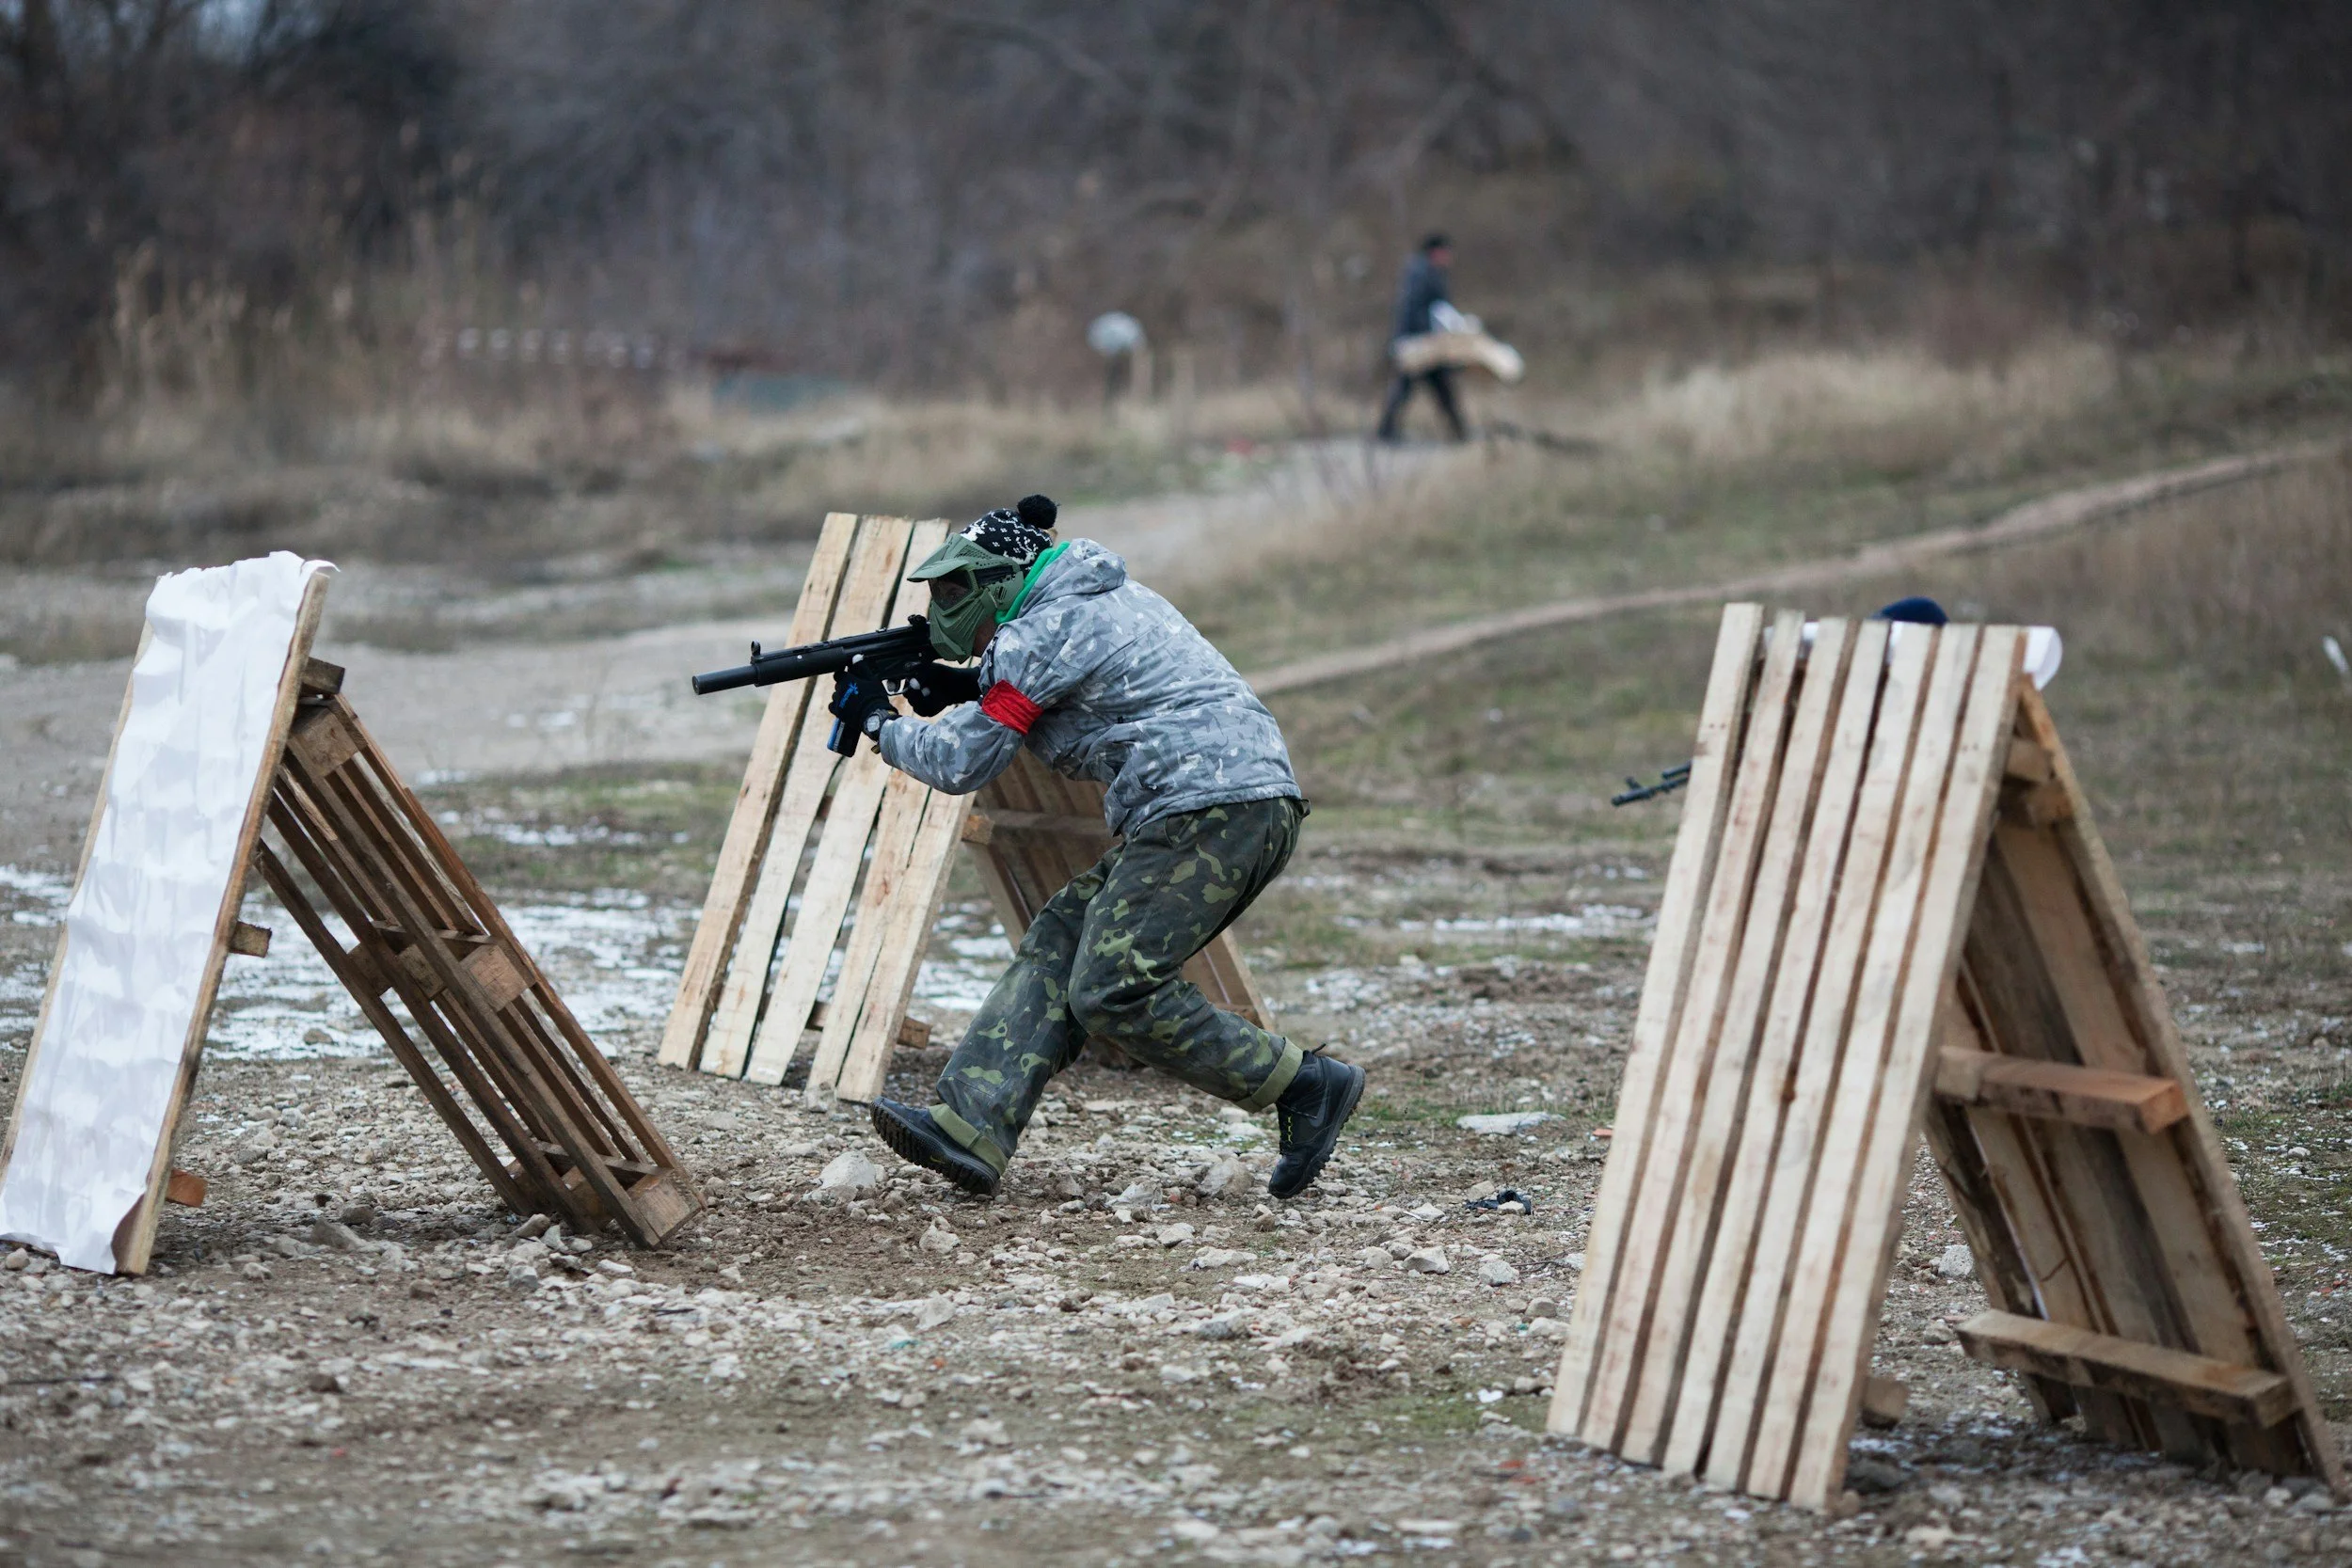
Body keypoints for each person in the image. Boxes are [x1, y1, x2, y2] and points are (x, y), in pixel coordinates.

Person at [829, 494, 1364, 1201]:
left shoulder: (1040, 631)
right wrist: (967, 683)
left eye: (955, 590)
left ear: (1002, 580)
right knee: (1062, 935)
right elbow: (1071, 698)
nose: (943, 606)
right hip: (1224, 800)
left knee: (1112, 987)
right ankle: (971, 1123)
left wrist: (878, 720)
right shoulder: (1091, 597)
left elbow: (963, 761)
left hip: (1210, 807)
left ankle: (1306, 1084)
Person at [1375, 233, 1468, 443]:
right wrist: (1429, 331)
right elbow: (1413, 309)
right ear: (1436, 252)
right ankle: (1387, 431)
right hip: (1418, 342)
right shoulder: (1421, 273)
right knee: (1413, 386)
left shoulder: (1431, 272)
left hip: (1427, 342)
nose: (1449, 258)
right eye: (1446, 252)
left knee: (1435, 387)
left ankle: (1459, 431)